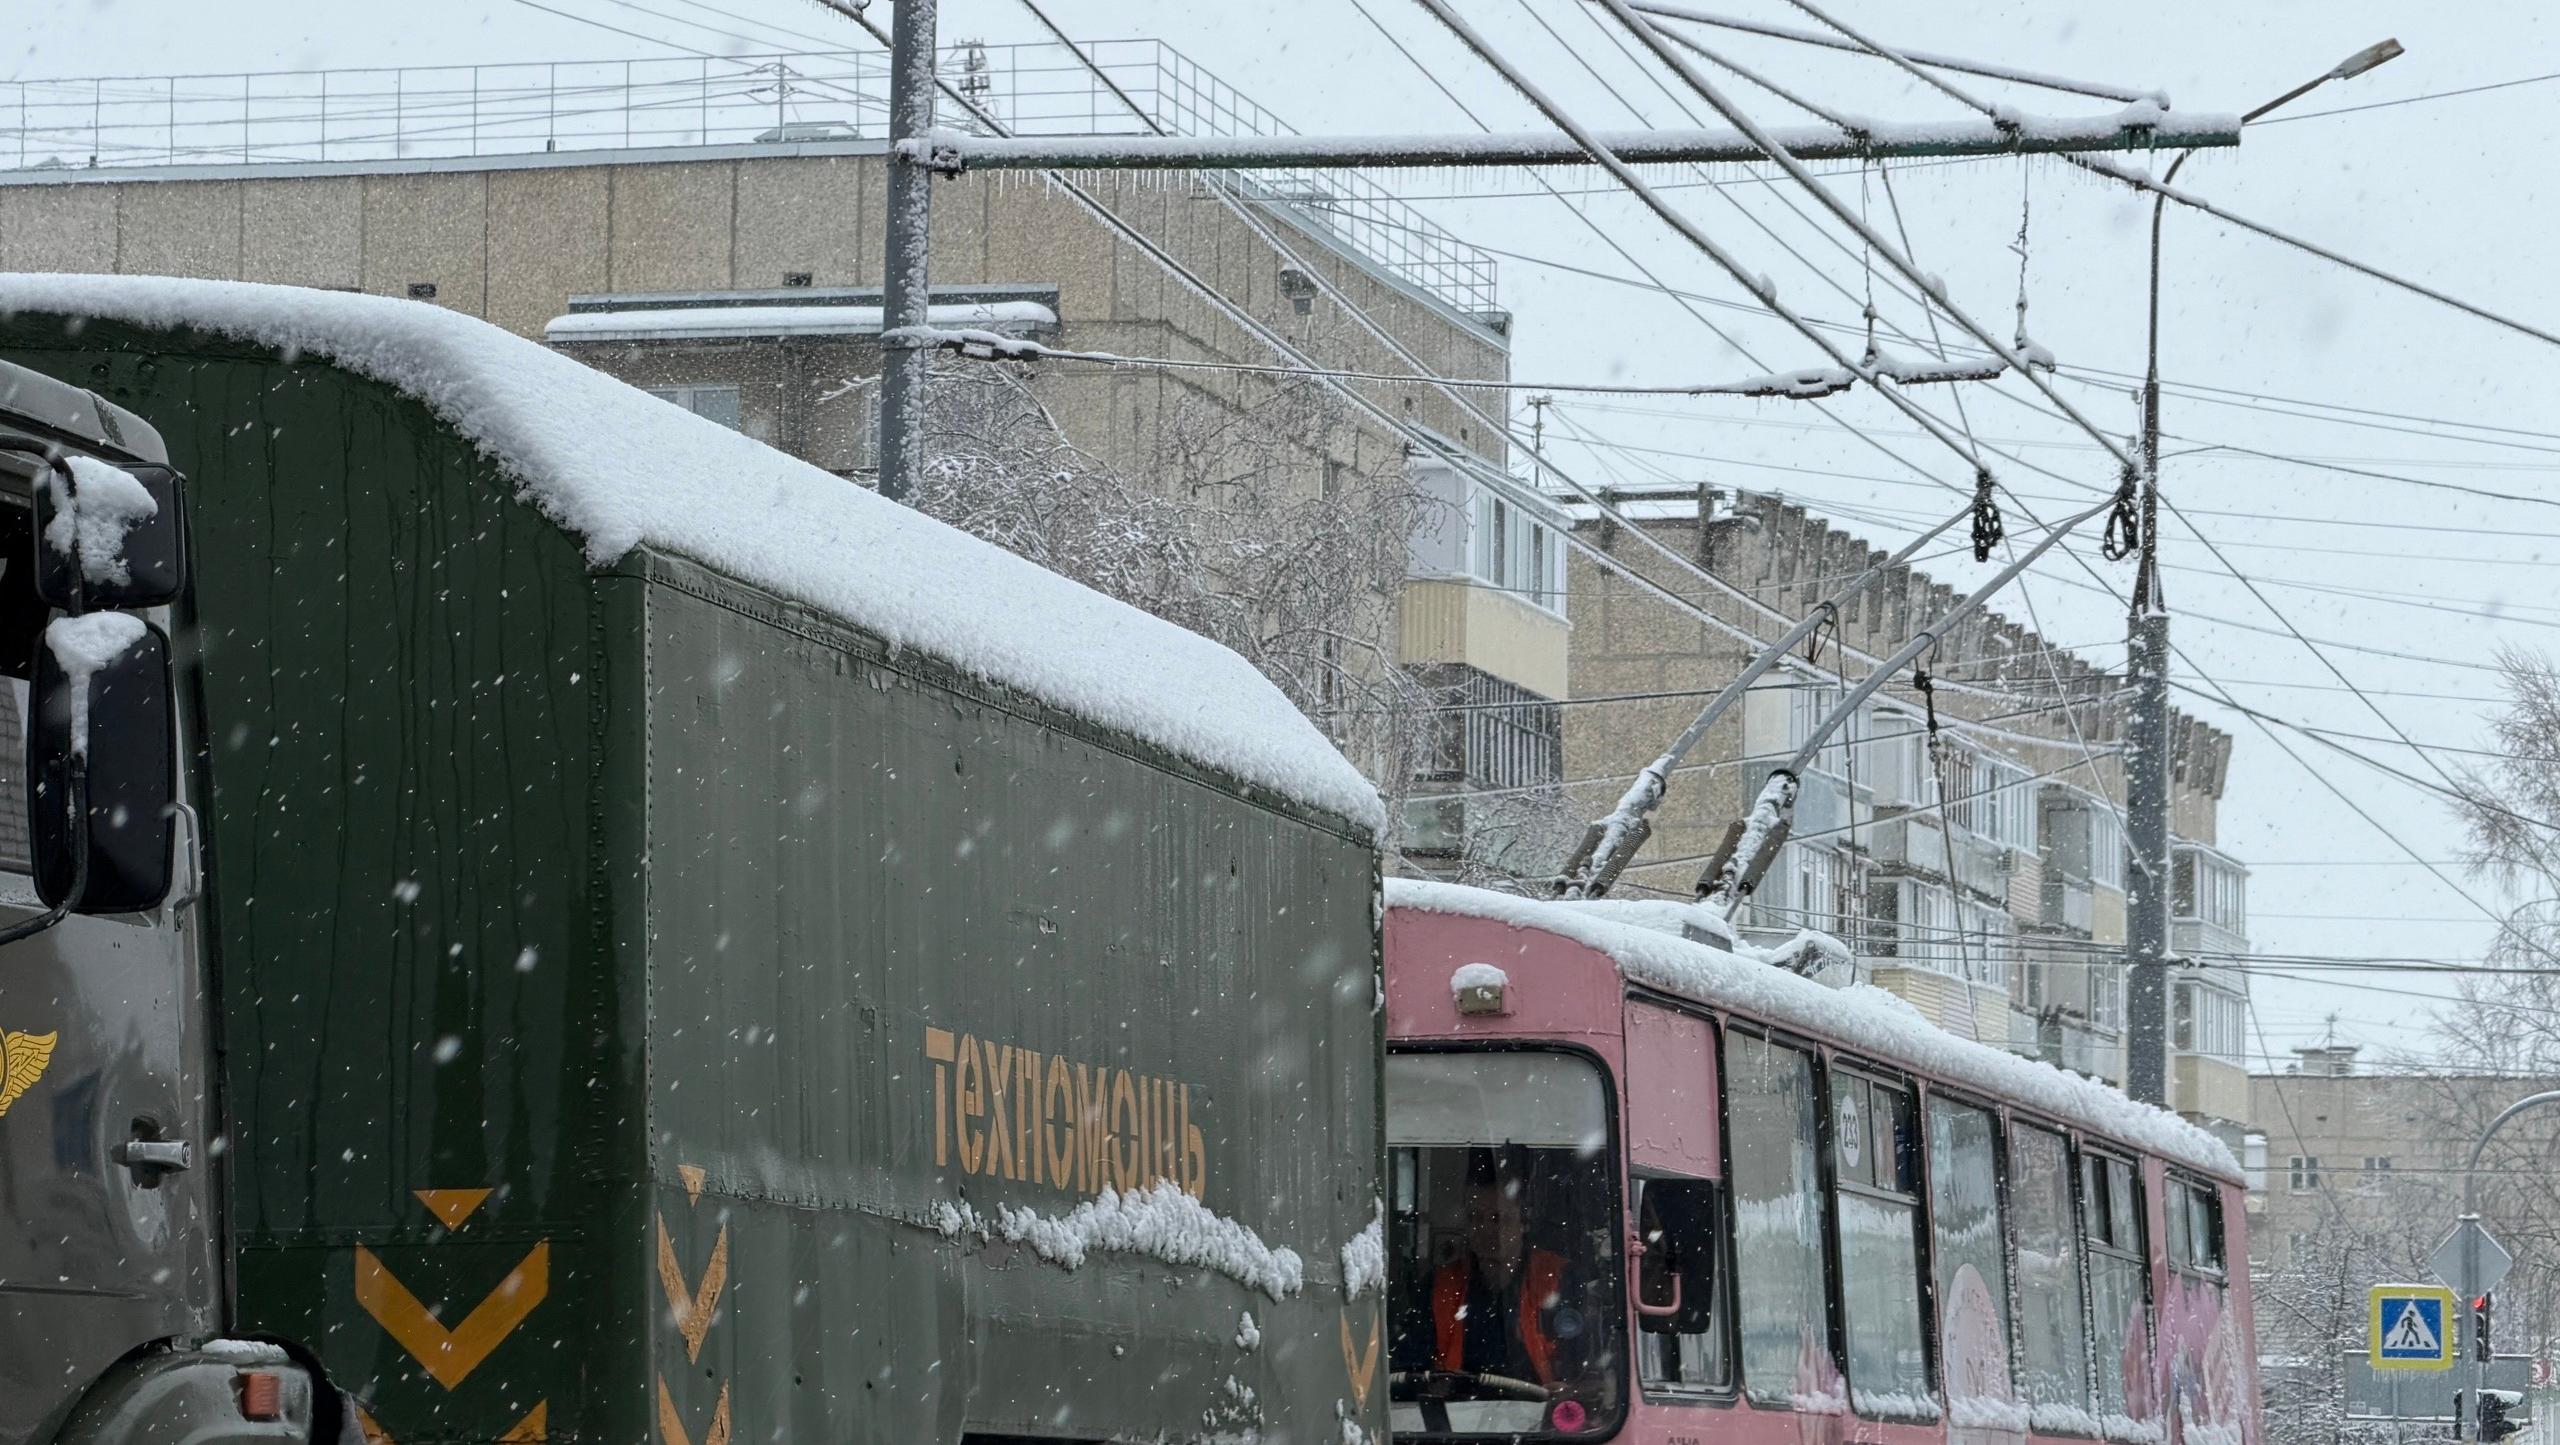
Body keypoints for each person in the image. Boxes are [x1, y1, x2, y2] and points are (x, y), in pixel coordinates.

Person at [1427, 1155, 1574, 1387]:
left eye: (1497, 1219)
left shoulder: (1560, 1280)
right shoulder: (1441, 1285)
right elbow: (1414, 1364)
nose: (1483, 1230)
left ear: (1523, 1222)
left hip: (1540, 1415)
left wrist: (1566, 1390)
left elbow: (1587, 1369)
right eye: (1474, 1218)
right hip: (1457, 1415)